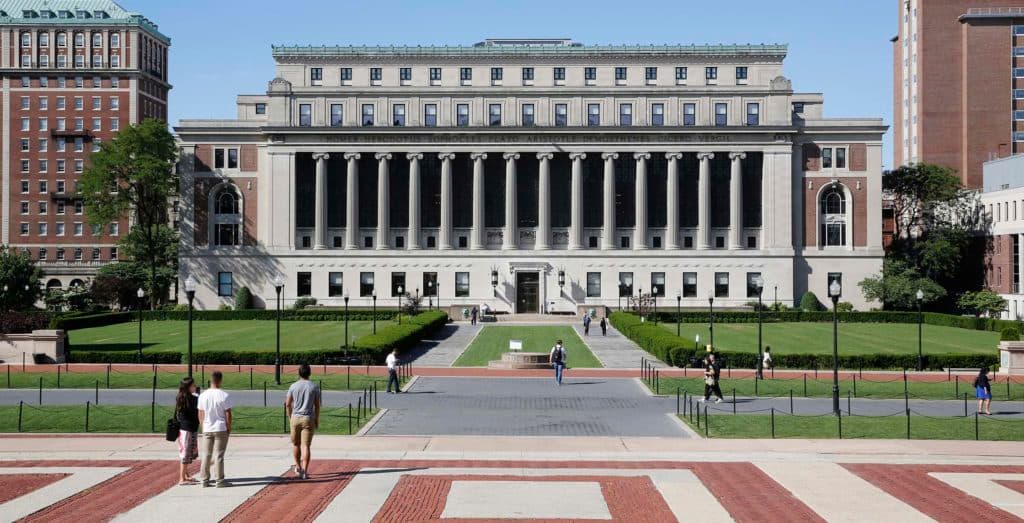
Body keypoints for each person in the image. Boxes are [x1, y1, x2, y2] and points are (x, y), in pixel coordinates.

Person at [197, 370, 233, 488]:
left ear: (211, 380)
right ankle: (219, 480)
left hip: (207, 427)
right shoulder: (224, 395)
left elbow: (200, 413)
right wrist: (229, 427)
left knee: (206, 454)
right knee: (219, 455)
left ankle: (204, 479)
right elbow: (228, 413)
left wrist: (203, 425)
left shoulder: (203, 395)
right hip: (220, 427)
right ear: (220, 380)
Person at [285, 364, 321, 480]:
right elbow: (317, 405)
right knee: (306, 446)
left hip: (295, 417)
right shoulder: (314, 387)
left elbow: (288, 403)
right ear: (309, 373)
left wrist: (290, 416)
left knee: (295, 444)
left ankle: (298, 467)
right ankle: (305, 471)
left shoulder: (293, 386)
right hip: (308, 417)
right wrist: (316, 418)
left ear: (299, 373)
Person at [174, 377, 199, 485]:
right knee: (186, 453)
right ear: (188, 387)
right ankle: (182, 478)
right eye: (193, 385)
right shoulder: (191, 399)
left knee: (186, 452)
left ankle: (186, 475)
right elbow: (196, 412)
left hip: (184, 429)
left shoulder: (181, 397)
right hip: (188, 429)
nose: (195, 387)